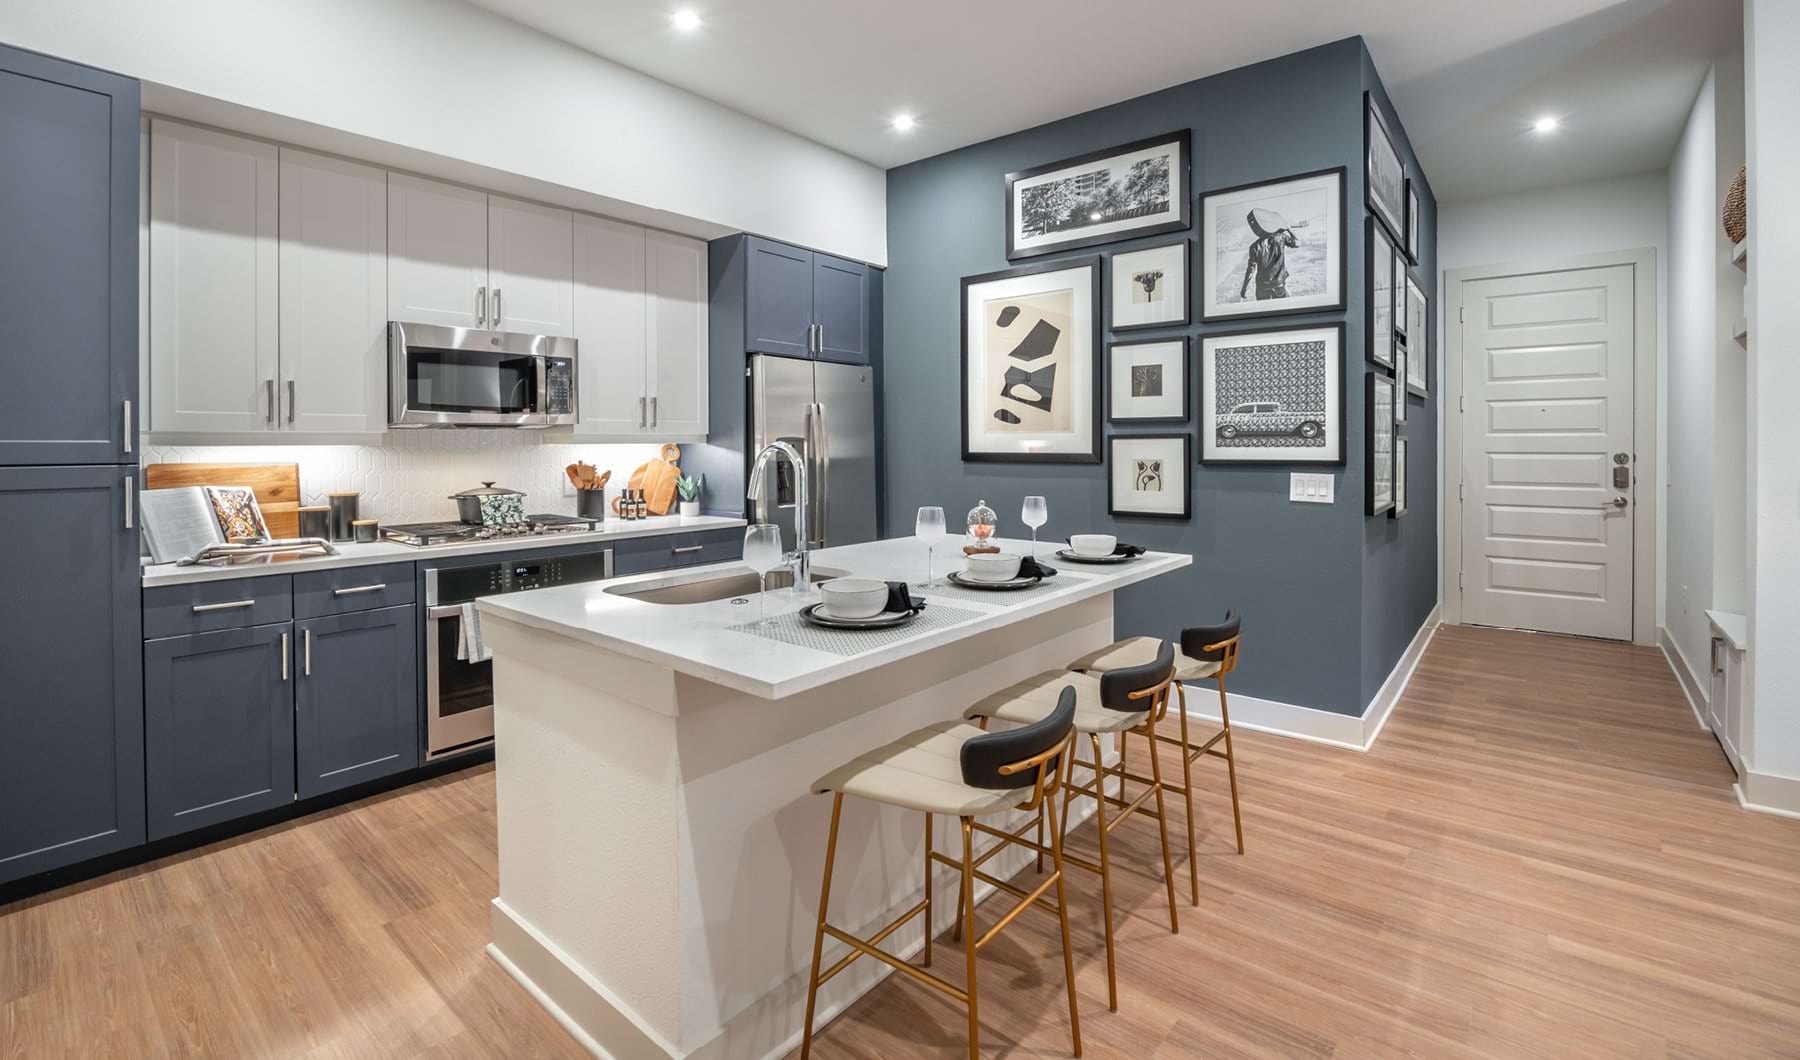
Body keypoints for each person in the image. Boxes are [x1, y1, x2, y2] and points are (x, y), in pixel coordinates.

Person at [1239, 207, 1302, 301]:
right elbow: (1298, 243)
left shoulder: (1254, 247)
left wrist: (1244, 288)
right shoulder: (1281, 238)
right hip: (1279, 284)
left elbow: (1250, 271)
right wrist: (1288, 229)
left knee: (1264, 313)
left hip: (1262, 287)